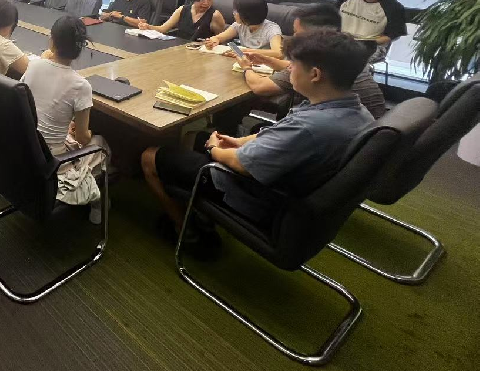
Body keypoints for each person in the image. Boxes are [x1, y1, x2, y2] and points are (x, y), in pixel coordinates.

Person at [140, 30, 375, 251]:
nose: (288, 68)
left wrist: (214, 149)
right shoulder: (357, 112)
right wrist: (239, 141)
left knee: (151, 155)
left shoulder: (310, 127)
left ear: (315, 75)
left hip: (262, 197)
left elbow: (241, 164)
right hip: (293, 182)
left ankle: (187, 233)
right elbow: (281, 134)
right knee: (194, 137)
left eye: (293, 64)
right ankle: (194, 204)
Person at [21, 16, 111, 223]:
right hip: (52, 161)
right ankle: (97, 202)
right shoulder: (81, 85)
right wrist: (84, 131)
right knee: (101, 144)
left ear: (52, 41)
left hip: (25, 148)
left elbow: (27, 102)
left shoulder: (34, 66)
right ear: (79, 49)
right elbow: (83, 138)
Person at [240, 3, 387, 118]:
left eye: (297, 32)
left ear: (315, 34)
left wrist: (246, 68)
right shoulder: (342, 50)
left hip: (341, 138)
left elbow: (260, 87)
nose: (293, 37)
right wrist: (267, 60)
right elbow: (291, 67)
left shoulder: (317, 58)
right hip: (367, 130)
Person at [337, 0, 407, 64]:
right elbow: (331, 18)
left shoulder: (394, 8)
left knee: (349, 59)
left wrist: (367, 43)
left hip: (371, 45)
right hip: (342, 40)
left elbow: (393, 35)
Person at [138, 0, 226, 40]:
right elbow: (163, 29)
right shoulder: (182, 10)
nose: (206, 3)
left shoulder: (215, 15)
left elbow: (221, 40)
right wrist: (148, 26)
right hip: (180, 49)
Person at [203, 0, 283, 58]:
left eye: (236, 11)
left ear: (248, 14)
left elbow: (278, 53)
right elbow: (219, 37)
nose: (233, 13)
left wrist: (246, 51)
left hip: (263, 65)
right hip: (243, 61)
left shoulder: (272, 29)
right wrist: (212, 41)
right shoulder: (239, 25)